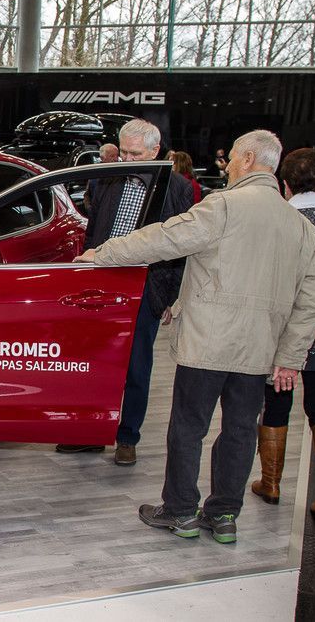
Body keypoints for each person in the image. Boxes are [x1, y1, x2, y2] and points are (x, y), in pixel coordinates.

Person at [76, 130, 315, 544]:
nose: (226, 166)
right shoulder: (297, 225)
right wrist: (289, 354)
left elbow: (161, 239)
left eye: (232, 158)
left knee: (188, 428)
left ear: (247, 159)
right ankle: (224, 515)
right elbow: (314, 297)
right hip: (259, 350)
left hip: (207, 344)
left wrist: (100, 255)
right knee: (241, 432)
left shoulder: (223, 206)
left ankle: (180, 512)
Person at [57, 120, 193, 466]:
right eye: (124, 152)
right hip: (101, 284)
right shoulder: (107, 178)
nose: (128, 159)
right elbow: (93, 233)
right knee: (93, 362)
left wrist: (169, 297)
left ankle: (127, 436)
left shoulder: (177, 188)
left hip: (147, 286)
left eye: (136, 154)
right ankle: (91, 433)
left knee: (136, 367)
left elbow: (181, 249)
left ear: (155, 151)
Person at [250, 148, 315, 514]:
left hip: (279, 333)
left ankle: (270, 484)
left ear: (284, 184)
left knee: (275, 403)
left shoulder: (273, 223)